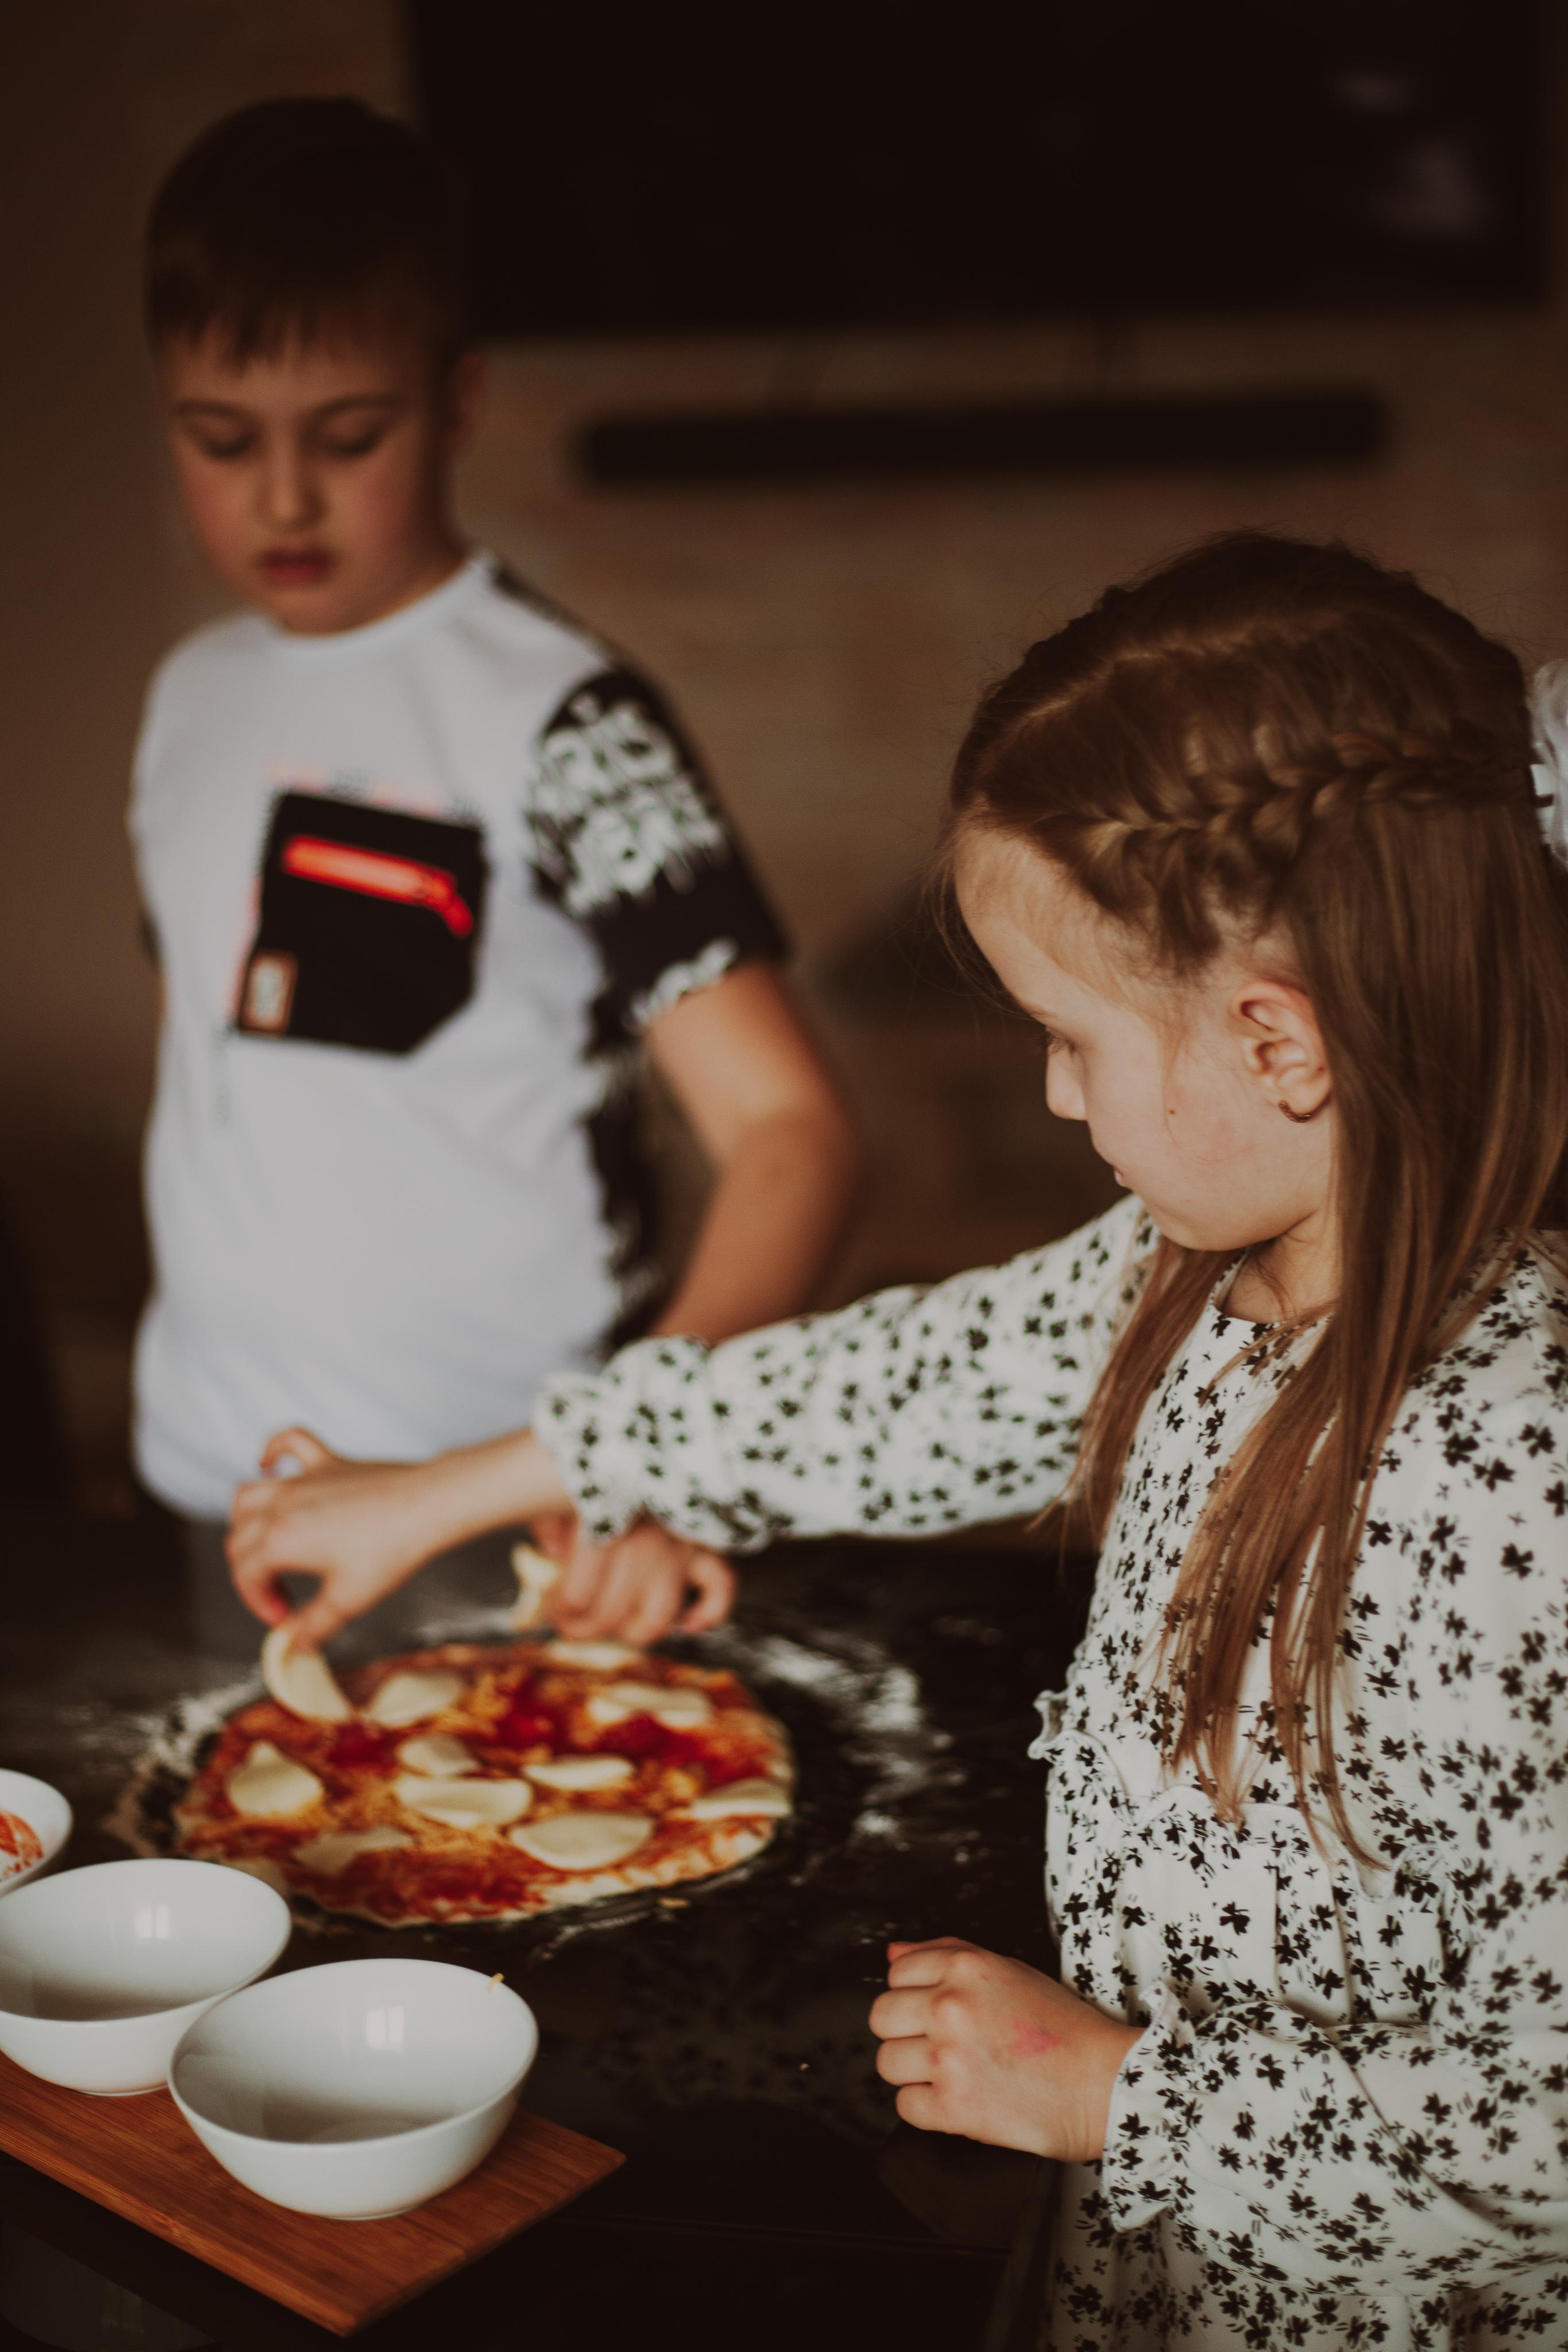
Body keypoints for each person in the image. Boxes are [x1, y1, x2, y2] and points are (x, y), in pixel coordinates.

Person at [232, 532, 1568, 2342]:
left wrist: (1113, 2101)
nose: (1053, 1090)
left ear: (1284, 1045)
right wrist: (466, 1487)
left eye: (1071, 1037)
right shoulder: (1209, 1263)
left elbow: (1536, 2135)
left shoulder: (1513, 1485)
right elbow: (910, 1387)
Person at [131, 97, 858, 1651]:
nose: (282, 499)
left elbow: (792, 1131)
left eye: (347, 437)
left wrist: (639, 1468)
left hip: (504, 1500)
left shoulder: (566, 719)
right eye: (219, 439)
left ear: (456, 401)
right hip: (217, 1476)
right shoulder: (184, 699)